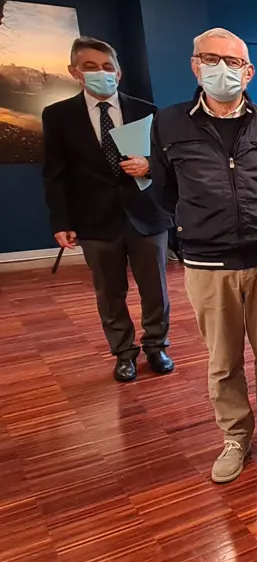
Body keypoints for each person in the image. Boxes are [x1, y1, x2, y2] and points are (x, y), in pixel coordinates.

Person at [150, 28, 257, 484]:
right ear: (195, 65)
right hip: (209, 265)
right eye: (212, 59)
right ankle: (235, 437)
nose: (224, 69)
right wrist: (195, 231)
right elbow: (164, 192)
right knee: (222, 361)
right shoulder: (170, 124)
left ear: (249, 71)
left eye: (234, 62)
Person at [42, 37, 174, 383]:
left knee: (155, 288)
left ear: (119, 72)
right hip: (94, 220)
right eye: (90, 67)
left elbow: (168, 162)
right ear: (75, 72)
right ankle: (124, 353)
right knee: (109, 291)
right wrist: (61, 221)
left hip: (146, 215)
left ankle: (157, 345)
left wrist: (148, 166)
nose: (101, 73)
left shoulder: (147, 110)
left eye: (107, 67)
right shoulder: (58, 116)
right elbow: (54, 174)